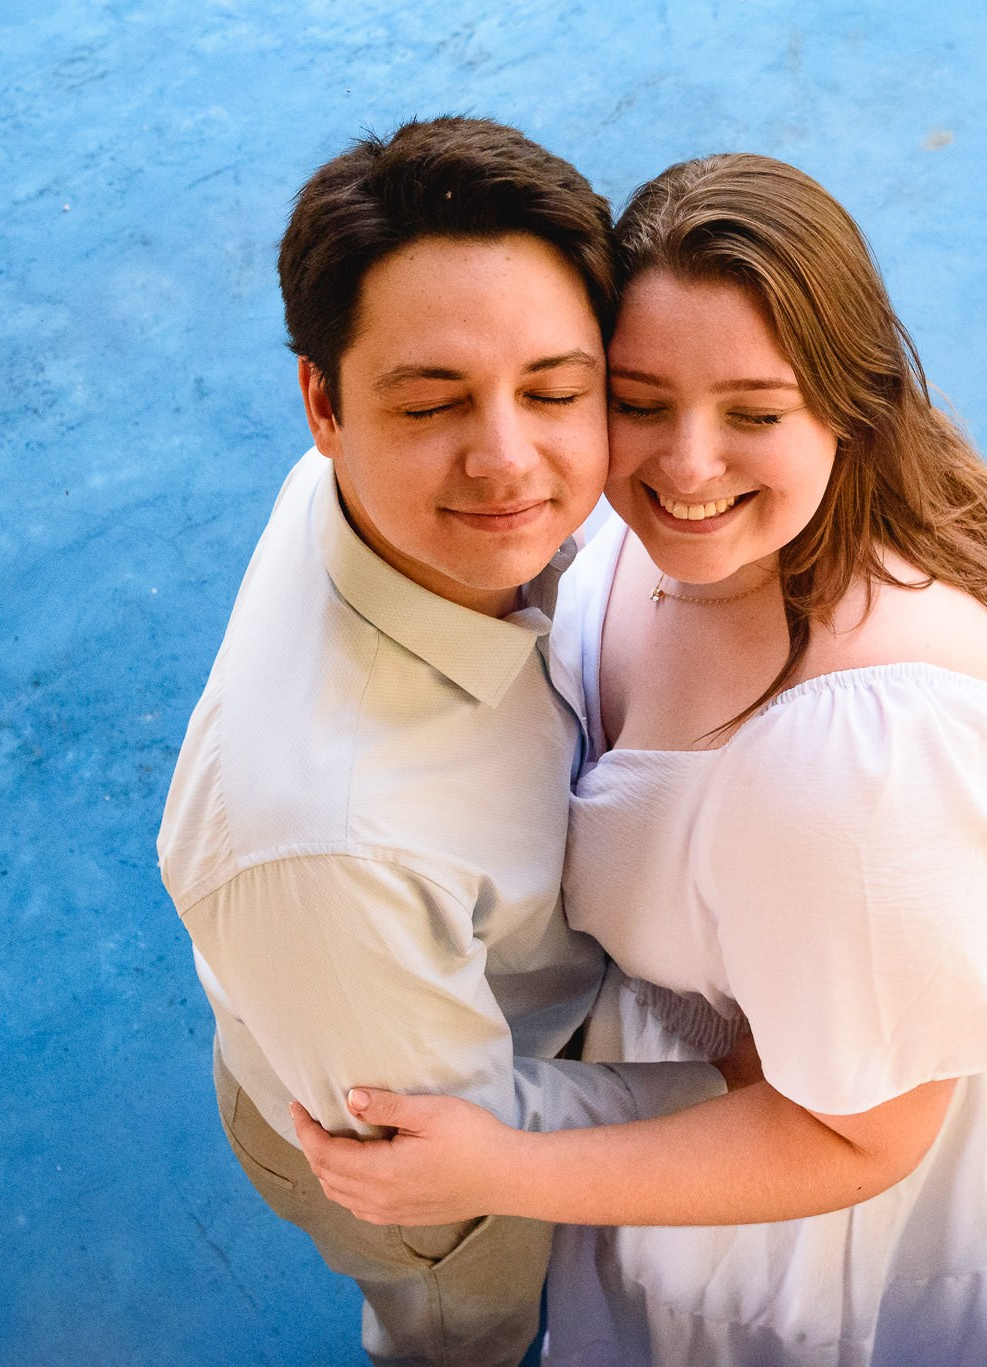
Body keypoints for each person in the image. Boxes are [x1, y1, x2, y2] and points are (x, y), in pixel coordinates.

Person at [292, 153, 987, 1366]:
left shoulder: (871, 759)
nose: (685, 469)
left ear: (848, 407)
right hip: (664, 1110)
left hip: (778, 1229)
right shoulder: (652, 536)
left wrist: (502, 1167)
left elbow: (856, 1135)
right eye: (640, 401)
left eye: (753, 414)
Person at [154, 118, 736, 1367]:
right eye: (431, 403)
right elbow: (448, 1145)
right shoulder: (332, 847)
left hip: (395, 998)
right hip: (409, 1147)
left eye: (556, 390)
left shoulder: (372, 495)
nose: (508, 461)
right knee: (461, 1322)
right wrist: (756, 1096)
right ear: (323, 404)